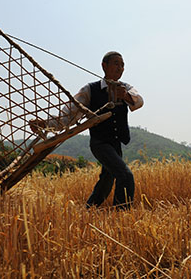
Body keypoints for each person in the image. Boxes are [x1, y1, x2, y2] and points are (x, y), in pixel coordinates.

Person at [31, 51, 143, 209]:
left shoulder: (126, 88)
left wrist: (125, 96)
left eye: (122, 65)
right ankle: (121, 217)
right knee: (125, 176)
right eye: (116, 63)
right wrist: (44, 124)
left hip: (116, 143)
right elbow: (67, 117)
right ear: (104, 66)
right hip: (100, 143)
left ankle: (88, 210)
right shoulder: (90, 90)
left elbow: (139, 102)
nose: (120, 68)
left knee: (107, 179)